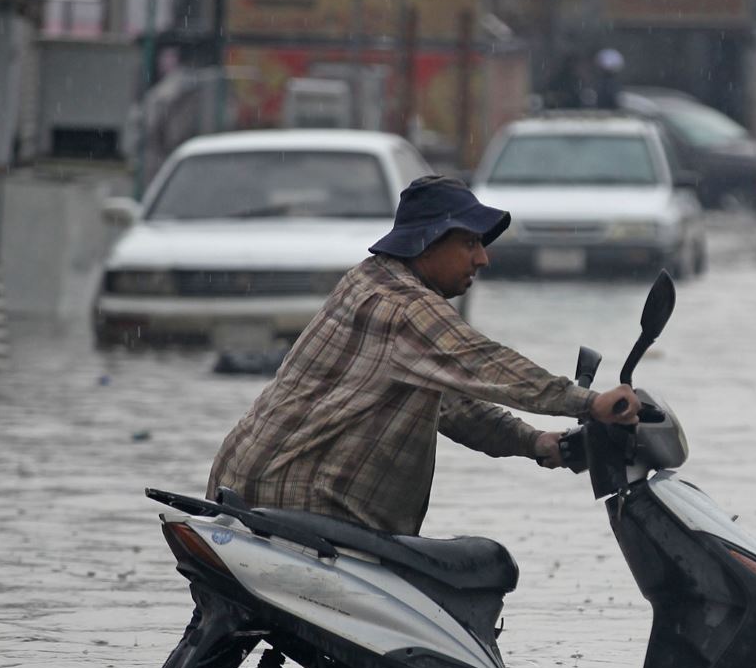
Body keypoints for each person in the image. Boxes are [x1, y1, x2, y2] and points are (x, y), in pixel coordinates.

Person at [205, 175, 641, 537]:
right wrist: (589, 402)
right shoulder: (405, 305)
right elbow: (482, 362)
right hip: (295, 501)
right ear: (427, 242)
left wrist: (535, 442)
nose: (483, 258)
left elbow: (453, 406)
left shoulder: (371, 282)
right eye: (470, 242)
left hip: (247, 487)